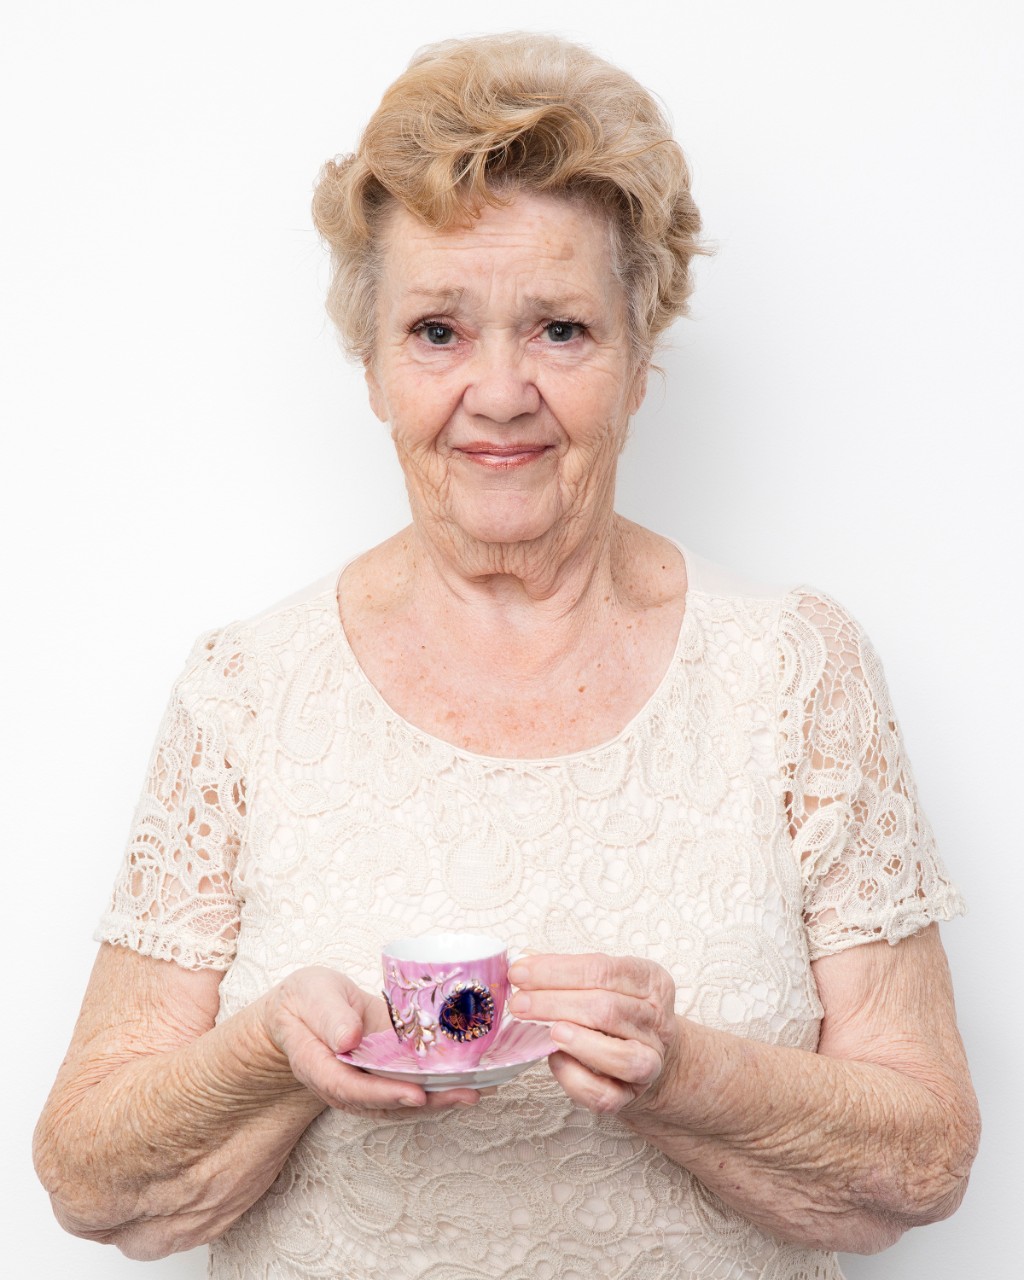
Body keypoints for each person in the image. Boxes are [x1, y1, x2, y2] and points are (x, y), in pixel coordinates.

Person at [33, 31, 979, 1280]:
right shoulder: (247, 688)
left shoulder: (796, 669)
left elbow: (920, 1164)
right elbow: (95, 1184)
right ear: (370, 363)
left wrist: (681, 1069)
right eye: (436, 329)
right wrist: (264, 1053)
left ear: (640, 359)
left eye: (559, 330)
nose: (496, 392)